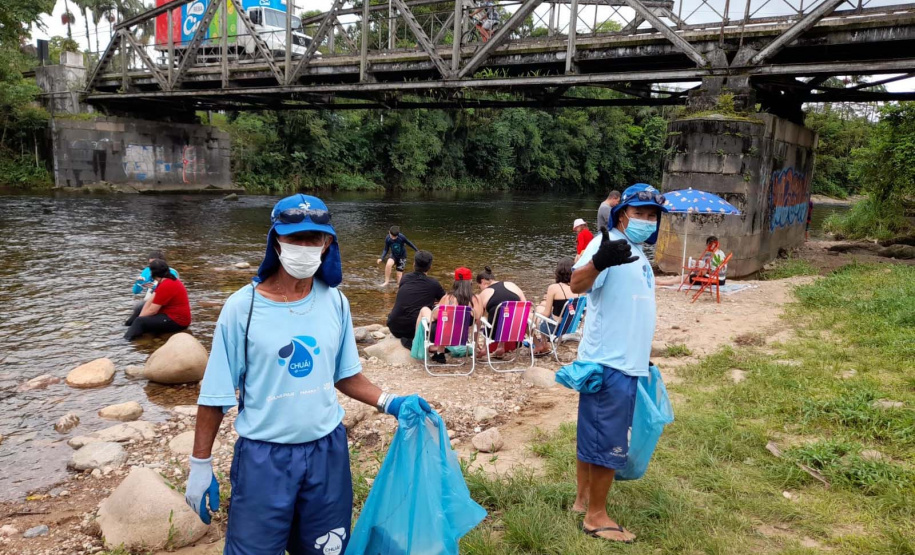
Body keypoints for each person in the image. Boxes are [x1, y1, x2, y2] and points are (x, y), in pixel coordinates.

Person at [185, 194, 433, 555]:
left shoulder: (335, 301)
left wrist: (390, 401)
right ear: (276, 240)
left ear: (327, 242)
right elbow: (215, 394)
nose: (304, 247)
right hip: (264, 459)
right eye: (295, 238)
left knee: (324, 551)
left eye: (313, 239)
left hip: (326, 455)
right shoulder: (243, 307)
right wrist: (199, 464)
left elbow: (344, 374)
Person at [569, 183, 668, 544]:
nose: (645, 219)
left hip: (625, 361)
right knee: (608, 440)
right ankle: (597, 517)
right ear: (622, 213)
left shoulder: (637, 251)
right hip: (609, 363)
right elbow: (576, 283)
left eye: (651, 215)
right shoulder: (606, 243)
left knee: (593, 434)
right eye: (639, 212)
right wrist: (598, 261)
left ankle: (583, 502)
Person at [414, 267, 483, 363]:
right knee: (472, 322)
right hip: (462, 336)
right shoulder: (476, 299)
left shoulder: (447, 298)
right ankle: (474, 348)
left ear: (455, 282)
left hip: (439, 335)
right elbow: (478, 317)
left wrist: (441, 308)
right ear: (470, 281)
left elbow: (435, 317)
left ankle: (434, 351)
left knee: (425, 310)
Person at [386, 250, 445, 349]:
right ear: (430, 267)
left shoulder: (405, 278)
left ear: (414, 264)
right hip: (413, 329)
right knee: (437, 312)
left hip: (394, 327)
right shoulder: (433, 283)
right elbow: (445, 300)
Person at [124, 259, 191, 340]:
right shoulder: (166, 280)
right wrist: (141, 314)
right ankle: (126, 327)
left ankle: (125, 341)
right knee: (140, 309)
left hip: (178, 321)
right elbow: (152, 299)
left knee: (140, 321)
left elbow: (153, 310)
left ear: (153, 273)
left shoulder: (166, 285)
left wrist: (140, 318)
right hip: (169, 314)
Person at [532, 258, 580, 356]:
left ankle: (543, 344)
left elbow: (546, 313)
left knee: (534, 314)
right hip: (570, 326)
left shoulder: (553, 288)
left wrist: (534, 314)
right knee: (543, 307)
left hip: (554, 328)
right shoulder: (578, 288)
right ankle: (544, 343)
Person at [476, 266, 526, 358]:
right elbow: (525, 305)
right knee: (506, 314)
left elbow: (478, 318)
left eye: (479, 286)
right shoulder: (512, 285)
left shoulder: (484, 293)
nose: (480, 289)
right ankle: (500, 346)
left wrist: (475, 341)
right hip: (517, 329)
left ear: (482, 281)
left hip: (494, 332)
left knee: (490, 318)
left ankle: (484, 348)